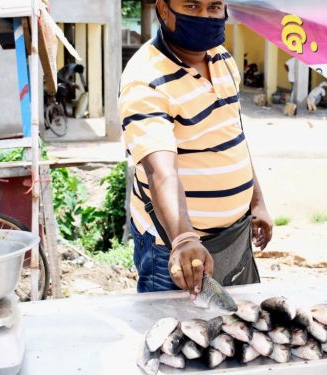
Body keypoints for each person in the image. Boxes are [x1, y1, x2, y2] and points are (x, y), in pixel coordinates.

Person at [119, 0, 273, 297]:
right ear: (163, 9)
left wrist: (257, 202)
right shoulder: (145, 80)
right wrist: (184, 237)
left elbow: (233, 135)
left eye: (214, 7)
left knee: (234, 333)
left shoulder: (222, 57)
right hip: (176, 251)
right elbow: (160, 172)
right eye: (191, 5)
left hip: (233, 237)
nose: (205, 16)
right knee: (175, 337)